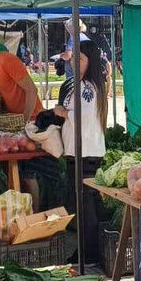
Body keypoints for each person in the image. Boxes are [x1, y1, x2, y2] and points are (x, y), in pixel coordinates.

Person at [54, 40, 107, 264]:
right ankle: (91, 251)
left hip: (85, 153)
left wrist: (63, 113)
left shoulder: (88, 88)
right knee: (87, 205)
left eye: (81, 59)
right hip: (83, 151)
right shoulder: (83, 84)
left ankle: (90, 253)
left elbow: (82, 117)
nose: (76, 63)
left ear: (91, 61)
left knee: (86, 207)